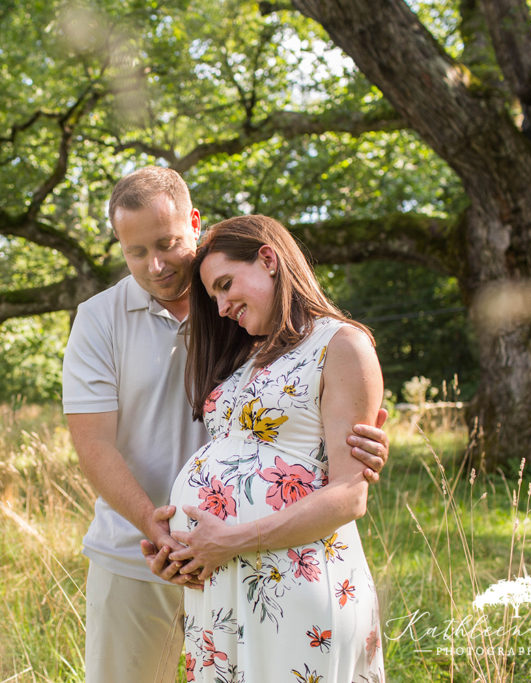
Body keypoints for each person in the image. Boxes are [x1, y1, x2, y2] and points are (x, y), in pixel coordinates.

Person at [62, 167, 389, 683]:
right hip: (140, 551)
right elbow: (93, 444)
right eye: (136, 251)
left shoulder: (245, 313)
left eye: (167, 243)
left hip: (253, 561)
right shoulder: (101, 318)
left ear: (193, 223)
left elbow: (316, 405)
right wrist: (157, 529)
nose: (156, 264)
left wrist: (359, 443)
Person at [154, 214, 385, 682]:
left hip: (294, 579)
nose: (221, 308)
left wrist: (229, 540)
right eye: (213, 297)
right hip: (224, 586)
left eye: (225, 285)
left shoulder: (342, 344)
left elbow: (350, 495)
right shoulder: (246, 358)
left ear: (268, 259)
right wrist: (184, 550)